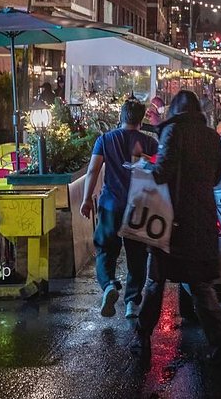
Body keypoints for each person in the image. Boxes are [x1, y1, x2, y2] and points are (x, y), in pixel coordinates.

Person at [130, 90, 221, 361]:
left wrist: (144, 164)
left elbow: (161, 173)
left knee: (155, 283)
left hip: (171, 221)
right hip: (202, 220)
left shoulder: (172, 132)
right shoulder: (212, 137)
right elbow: (216, 178)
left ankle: (142, 338)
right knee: (200, 285)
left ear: (175, 110)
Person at [80, 99, 158, 319]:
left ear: (121, 117)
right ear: (141, 120)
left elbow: (93, 170)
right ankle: (132, 302)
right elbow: (157, 173)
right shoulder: (149, 143)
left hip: (110, 205)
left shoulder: (105, 140)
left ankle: (108, 286)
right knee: (137, 256)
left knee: (105, 249)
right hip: (138, 207)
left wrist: (86, 199)